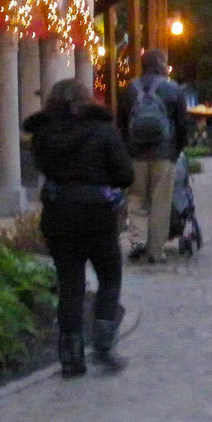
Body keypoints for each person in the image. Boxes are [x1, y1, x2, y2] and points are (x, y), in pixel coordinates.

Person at [24, 78, 135, 377]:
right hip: (97, 213)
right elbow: (125, 174)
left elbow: (41, 167)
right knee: (109, 277)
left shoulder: (43, 134)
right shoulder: (103, 131)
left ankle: (71, 355)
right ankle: (103, 345)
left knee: (70, 284)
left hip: (59, 213)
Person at [118, 48, 190, 263]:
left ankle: (137, 242)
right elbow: (182, 125)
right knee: (161, 201)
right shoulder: (173, 89)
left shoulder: (130, 89)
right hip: (164, 154)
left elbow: (121, 123)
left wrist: (127, 149)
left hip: (136, 155)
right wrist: (176, 150)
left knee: (136, 198)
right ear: (161, 64)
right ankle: (155, 250)